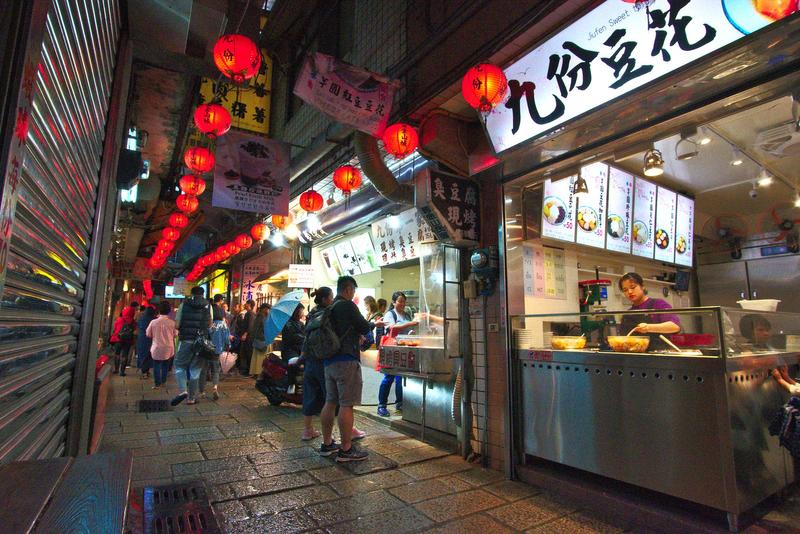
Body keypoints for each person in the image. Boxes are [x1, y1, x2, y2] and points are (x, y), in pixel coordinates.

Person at [320, 276, 383, 462]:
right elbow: (363, 326)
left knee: (330, 402)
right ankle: (346, 449)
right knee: (346, 404)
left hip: (329, 361)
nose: (353, 294)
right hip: (346, 360)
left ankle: (327, 444)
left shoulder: (330, 307)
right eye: (353, 291)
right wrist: (374, 324)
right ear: (348, 289)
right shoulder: (347, 305)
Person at [300, 287, 367, 442]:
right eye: (330, 297)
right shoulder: (331, 312)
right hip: (325, 360)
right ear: (325, 299)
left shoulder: (312, 313)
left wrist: (302, 356)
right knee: (337, 401)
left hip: (311, 359)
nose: (332, 300)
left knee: (313, 396)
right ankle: (347, 433)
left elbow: (306, 338)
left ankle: (309, 431)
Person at [377, 291, 417, 416]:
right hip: (391, 350)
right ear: (394, 302)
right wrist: (410, 323)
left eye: (404, 301)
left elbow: (409, 330)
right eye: (400, 301)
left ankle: (400, 403)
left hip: (403, 350)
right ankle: (381, 405)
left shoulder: (406, 314)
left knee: (401, 377)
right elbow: (392, 328)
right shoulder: (390, 314)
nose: (402, 304)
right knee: (389, 377)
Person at [618, 272, 681, 351]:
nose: (629, 292)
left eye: (633, 287)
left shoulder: (658, 304)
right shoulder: (627, 314)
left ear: (642, 286)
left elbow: (675, 327)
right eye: (625, 290)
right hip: (635, 357)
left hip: (660, 356)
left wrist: (648, 327)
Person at [172, 286, 212, 405]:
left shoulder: (184, 304)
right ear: (203, 294)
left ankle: (183, 390)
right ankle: (191, 398)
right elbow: (210, 324)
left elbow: (177, 325)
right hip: (200, 342)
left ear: (192, 293)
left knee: (180, 366)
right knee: (195, 369)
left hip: (186, 340)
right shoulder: (208, 305)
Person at [200, 294, 229, 400]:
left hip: (206, 347)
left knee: (204, 370)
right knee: (215, 369)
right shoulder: (222, 324)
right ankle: (215, 388)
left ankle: (202, 392)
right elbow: (227, 337)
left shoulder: (207, 323)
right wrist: (227, 345)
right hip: (217, 349)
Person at [146, 301, 177, 389]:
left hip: (157, 346)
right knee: (165, 365)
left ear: (159, 310)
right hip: (169, 347)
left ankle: (157, 384)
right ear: (168, 311)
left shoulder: (153, 322)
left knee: (156, 364)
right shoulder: (172, 323)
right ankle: (163, 382)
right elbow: (175, 334)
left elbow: (148, 334)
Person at [110, 304, 137, 375]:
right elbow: (134, 331)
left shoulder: (119, 319)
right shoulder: (133, 322)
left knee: (117, 354)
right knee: (125, 355)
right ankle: (122, 371)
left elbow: (115, 329)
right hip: (127, 340)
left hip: (118, 339)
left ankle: (116, 369)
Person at [249, 303, 272, 376]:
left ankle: (260, 372)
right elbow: (255, 329)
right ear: (264, 309)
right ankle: (258, 372)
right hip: (261, 340)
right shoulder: (260, 317)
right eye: (268, 309)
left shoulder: (265, 317)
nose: (269, 311)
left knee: (261, 358)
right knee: (259, 358)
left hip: (264, 340)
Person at [136, 302, 157, 379]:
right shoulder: (154, 319)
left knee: (142, 355)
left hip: (142, 339)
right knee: (149, 355)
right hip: (152, 339)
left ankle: (144, 371)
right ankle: (146, 371)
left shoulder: (141, 318)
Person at [237, 300, 256, 375]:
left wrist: (245, 334)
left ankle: (248, 371)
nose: (245, 305)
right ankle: (246, 370)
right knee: (246, 353)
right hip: (248, 336)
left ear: (249, 304)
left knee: (247, 353)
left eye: (246, 303)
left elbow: (250, 326)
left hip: (248, 337)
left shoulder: (250, 313)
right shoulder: (249, 313)